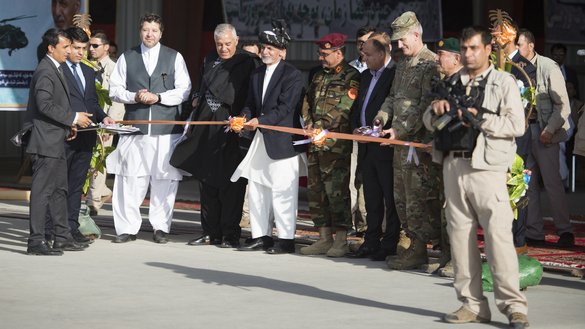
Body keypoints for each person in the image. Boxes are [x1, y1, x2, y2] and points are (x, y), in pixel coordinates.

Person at [424, 25, 529, 329]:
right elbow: (429, 120)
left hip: (488, 169)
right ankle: (471, 305)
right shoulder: (451, 82)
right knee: (460, 239)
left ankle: (514, 307)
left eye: (473, 48)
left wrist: (477, 115)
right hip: (453, 165)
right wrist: (437, 110)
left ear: (487, 50)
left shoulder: (503, 82)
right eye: (464, 49)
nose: (468, 54)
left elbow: (516, 124)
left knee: (498, 239)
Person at [107, 13, 191, 244]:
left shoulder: (174, 57)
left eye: (154, 30)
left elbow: (184, 90)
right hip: (136, 128)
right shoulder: (127, 56)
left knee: (164, 179)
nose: (150, 34)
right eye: (146, 30)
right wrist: (134, 96)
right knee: (130, 178)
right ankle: (127, 228)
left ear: (161, 33)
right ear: (140, 31)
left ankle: (161, 227)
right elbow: (114, 89)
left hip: (166, 130)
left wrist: (159, 97)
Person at [170, 24, 256, 248]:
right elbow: (202, 86)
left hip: (231, 129)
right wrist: (198, 97)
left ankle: (230, 234)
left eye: (228, 44)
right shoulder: (210, 58)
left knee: (230, 185)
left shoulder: (245, 61)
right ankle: (210, 232)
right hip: (206, 129)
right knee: (206, 181)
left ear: (236, 41)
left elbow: (236, 93)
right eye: (219, 44)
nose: (224, 48)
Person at [373, 11, 440, 270]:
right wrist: (381, 118)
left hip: (418, 146)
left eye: (402, 41)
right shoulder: (402, 64)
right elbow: (393, 97)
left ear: (416, 34)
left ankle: (423, 249)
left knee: (418, 198)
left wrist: (399, 130)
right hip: (399, 145)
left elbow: (425, 106)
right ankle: (412, 244)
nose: (399, 46)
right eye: (397, 42)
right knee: (401, 197)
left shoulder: (431, 64)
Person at [231, 20, 305, 254]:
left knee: (283, 191)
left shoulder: (292, 75)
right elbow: (251, 105)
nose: (265, 51)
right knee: (257, 189)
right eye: (263, 47)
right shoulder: (257, 74)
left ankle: (285, 239)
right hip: (260, 141)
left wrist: (259, 121)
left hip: (282, 143)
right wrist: (243, 118)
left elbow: (285, 109)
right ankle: (261, 235)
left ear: (282, 52)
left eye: (271, 48)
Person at [24, 28, 93, 255]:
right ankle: (36, 240)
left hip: (57, 138)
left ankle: (62, 237)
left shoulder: (57, 68)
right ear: (51, 48)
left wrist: (68, 126)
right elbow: (44, 105)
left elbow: (56, 105)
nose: (68, 51)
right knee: (43, 191)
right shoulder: (45, 70)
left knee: (59, 191)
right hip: (45, 141)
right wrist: (73, 117)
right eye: (64, 47)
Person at [50, 27, 114, 244]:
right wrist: (71, 120)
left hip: (87, 136)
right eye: (76, 48)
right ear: (67, 46)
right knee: (60, 185)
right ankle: (53, 229)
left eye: (84, 48)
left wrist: (104, 117)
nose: (80, 53)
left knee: (77, 185)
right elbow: (55, 104)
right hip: (66, 135)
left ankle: (71, 227)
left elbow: (92, 103)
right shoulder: (58, 71)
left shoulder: (88, 71)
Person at [300, 32, 359, 258]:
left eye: (325, 54)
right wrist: (308, 124)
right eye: (320, 53)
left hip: (335, 146)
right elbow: (307, 102)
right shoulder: (318, 76)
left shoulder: (351, 76)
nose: (321, 57)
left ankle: (341, 240)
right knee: (316, 192)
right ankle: (324, 238)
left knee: (337, 193)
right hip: (314, 143)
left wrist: (323, 126)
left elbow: (345, 106)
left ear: (339, 53)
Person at [515, 29, 574, 248]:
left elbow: (563, 105)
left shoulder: (549, 66)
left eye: (519, 44)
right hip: (523, 132)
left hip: (544, 132)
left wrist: (549, 130)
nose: (517, 48)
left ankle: (565, 230)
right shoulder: (515, 68)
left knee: (552, 183)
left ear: (531, 46)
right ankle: (534, 231)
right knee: (527, 184)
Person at [348, 32, 399, 261]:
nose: (364, 58)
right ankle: (370, 240)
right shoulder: (366, 76)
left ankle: (389, 243)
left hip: (385, 147)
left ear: (381, 53)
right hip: (366, 145)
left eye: (368, 54)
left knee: (389, 197)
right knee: (371, 197)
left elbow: (395, 108)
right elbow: (359, 106)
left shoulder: (394, 74)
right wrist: (356, 127)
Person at [492, 22, 537, 255]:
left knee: (516, 188)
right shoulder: (490, 63)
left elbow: (525, 104)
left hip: (516, 138)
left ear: (508, 37)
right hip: (492, 139)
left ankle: (518, 243)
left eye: (497, 35)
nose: (493, 39)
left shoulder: (524, 67)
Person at [431, 37, 463, 276]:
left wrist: (437, 120)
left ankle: (458, 259)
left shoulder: (464, 84)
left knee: (456, 209)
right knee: (444, 206)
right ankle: (445, 254)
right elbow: (431, 116)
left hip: (460, 153)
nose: (438, 58)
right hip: (444, 153)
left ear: (456, 58)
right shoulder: (445, 83)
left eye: (442, 54)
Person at [85, 30, 126, 216]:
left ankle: (92, 203)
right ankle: (101, 193)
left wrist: (110, 125)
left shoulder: (115, 68)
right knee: (85, 161)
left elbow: (117, 100)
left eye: (95, 45)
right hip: (85, 121)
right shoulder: (84, 65)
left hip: (105, 122)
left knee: (98, 162)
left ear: (106, 47)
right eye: (89, 45)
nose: (90, 49)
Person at [348, 26, 375, 238]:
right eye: (359, 42)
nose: (362, 46)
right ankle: (350, 223)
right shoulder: (350, 70)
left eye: (366, 42)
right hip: (352, 132)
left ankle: (366, 225)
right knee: (350, 180)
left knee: (367, 181)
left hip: (371, 134)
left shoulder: (381, 70)